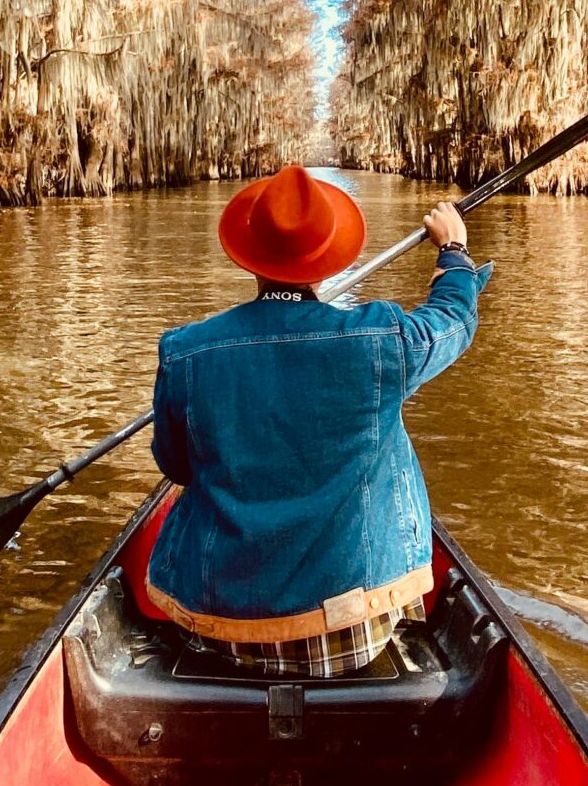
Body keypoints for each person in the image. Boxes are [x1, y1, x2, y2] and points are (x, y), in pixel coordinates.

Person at [145, 164, 491, 676]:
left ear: (250, 258)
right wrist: (454, 254)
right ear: (326, 263)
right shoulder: (381, 339)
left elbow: (175, 467)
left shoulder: (186, 352)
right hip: (351, 631)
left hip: (220, 627)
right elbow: (454, 321)